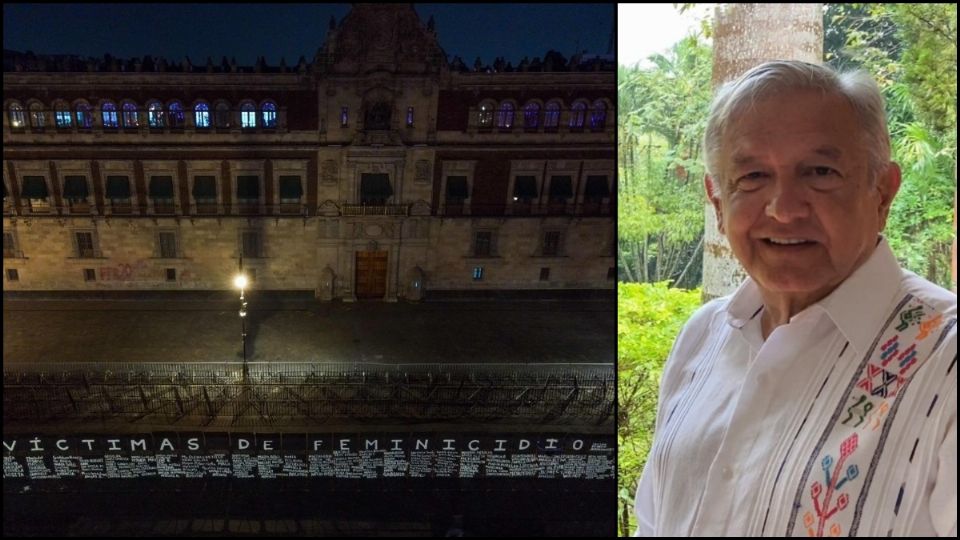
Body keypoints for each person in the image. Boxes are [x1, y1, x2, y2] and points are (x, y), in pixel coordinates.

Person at [634, 60, 957, 537]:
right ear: (718, 203)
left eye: (820, 172)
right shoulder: (700, 339)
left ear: (883, 191)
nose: (783, 209)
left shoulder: (946, 361)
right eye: (752, 177)